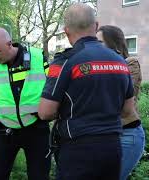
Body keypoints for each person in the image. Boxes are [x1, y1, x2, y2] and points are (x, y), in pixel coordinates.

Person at [38, 3, 136, 180]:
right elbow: (128, 110)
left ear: (66, 31)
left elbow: (45, 112)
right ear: (96, 26)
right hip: (112, 148)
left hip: (78, 150)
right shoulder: (120, 61)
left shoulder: (63, 62)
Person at [0, 27, 51, 180]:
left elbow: (52, 88)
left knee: (39, 176)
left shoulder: (37, 57)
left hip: (36, 127)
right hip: (4, 129)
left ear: (9, 44)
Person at [96, 25, 145, 180]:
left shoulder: (131, 63)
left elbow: (117, 95)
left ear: (114, 44)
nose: (95, 47)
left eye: (100, 42)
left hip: (126, 135)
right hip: (106, 135)